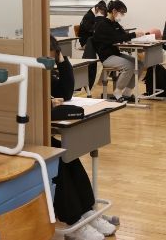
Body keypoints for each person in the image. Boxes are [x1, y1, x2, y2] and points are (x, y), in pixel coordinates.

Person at [49, 36, 117, 240]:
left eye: (52, 59)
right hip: (23, 137)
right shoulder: (26, 71)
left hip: (40, 133)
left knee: (68, 156)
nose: (49, 64)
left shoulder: (44, 71)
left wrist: (61, 60)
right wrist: (46, 102)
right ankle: (73, 222)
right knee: (58, 162)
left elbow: (66, 92)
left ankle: (87, 211)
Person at [92, 0, 145, 103]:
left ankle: (127, 92)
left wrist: (137, 37)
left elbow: (123, 35)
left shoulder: (115, 23)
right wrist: (134, 34)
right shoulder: (103, 24)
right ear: (114, 11)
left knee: (139, 64)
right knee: (129, 66)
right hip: (106, 57)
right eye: (122, 13)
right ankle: (118, 91)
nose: (122, 15)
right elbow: (117, 38)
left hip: (115, 54)